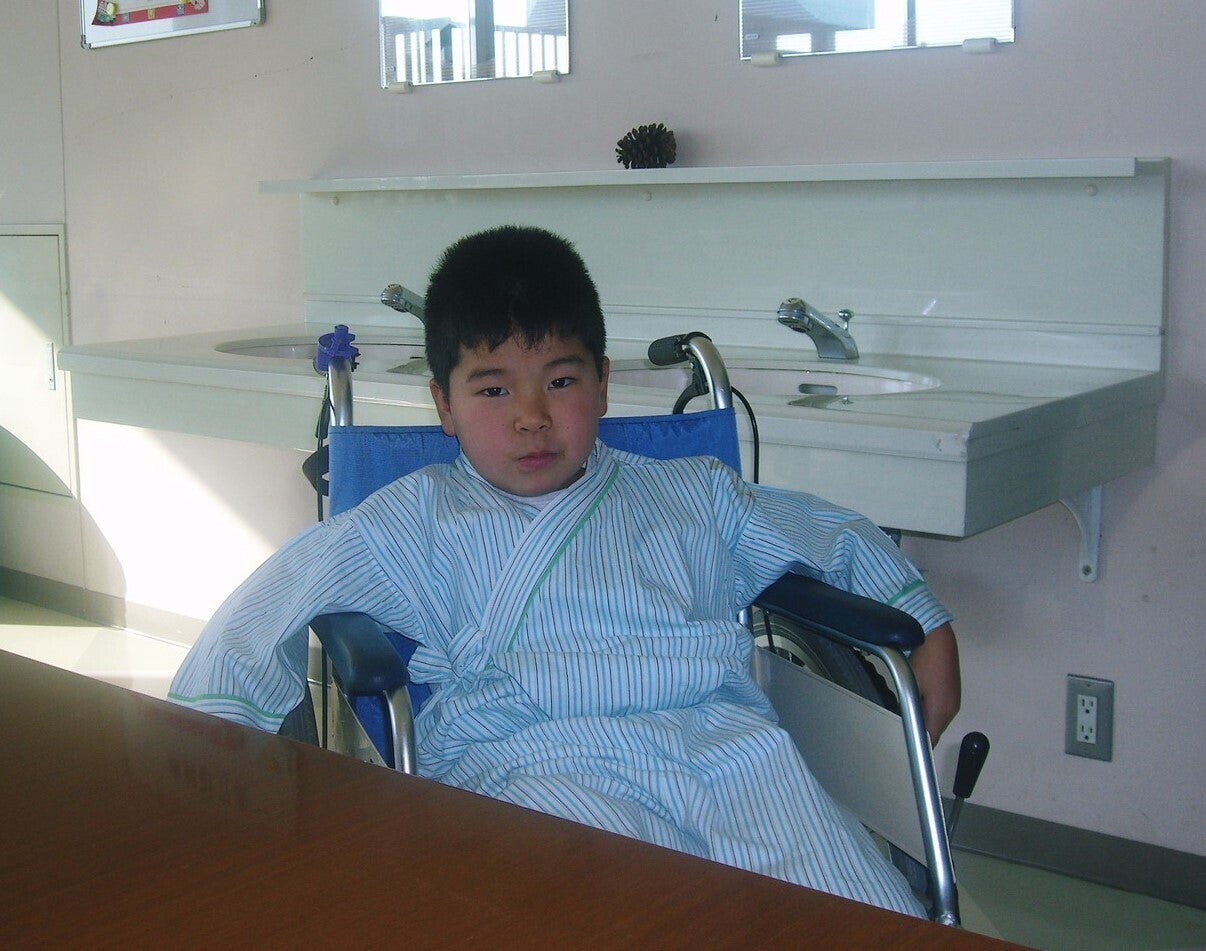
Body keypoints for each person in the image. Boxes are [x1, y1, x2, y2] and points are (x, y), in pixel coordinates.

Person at [170, 225, 960, 917]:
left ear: (603, 383)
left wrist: (924, 621)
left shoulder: (694, 493)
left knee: (864, 911)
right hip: (535, 760)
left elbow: (826, 530)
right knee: (604, 916)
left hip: (730, 754)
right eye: (492, 389)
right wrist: (203, 756)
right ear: (444, 406)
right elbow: (278, 594)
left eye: (560, 380)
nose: (531, 416)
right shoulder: (417, 518)